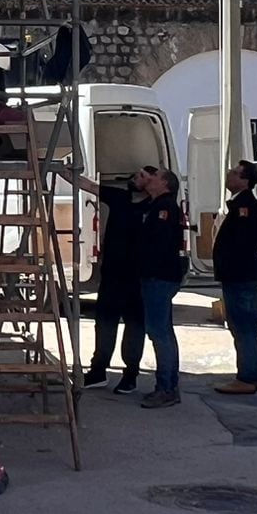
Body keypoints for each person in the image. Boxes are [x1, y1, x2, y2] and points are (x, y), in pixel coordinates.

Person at [84, 166, 168, 396]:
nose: (134, 177)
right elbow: (90, 186)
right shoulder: (120, 197)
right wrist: (62, 171)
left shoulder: (155, 206)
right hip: (112, 273)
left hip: (137, 277)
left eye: (141, 176)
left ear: (151, 182)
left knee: (134, 327)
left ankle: (130, 375)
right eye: (135, 173)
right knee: (104, 323)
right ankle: (98, 370)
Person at [211, 160, 257, 396]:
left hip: (240, 276)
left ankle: (247, 377)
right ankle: (253, 374)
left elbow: (241, 243)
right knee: (246, 326)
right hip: (241, 275)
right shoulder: (240, 204)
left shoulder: (245, 206)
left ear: (244, 180)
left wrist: (227, 266)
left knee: (242, 325)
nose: (228, 175)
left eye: (234, 173)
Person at [134, 169, 189, 409]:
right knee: (164, 331)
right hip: (160, 276)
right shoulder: (158, 206)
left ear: (164, 184)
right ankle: (169, 385)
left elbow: (156, 244)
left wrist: (146, 267)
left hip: (159, 277)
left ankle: (165, 388)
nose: (149, 180)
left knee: (159, 332)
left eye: (154, 177)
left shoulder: (164, 209)